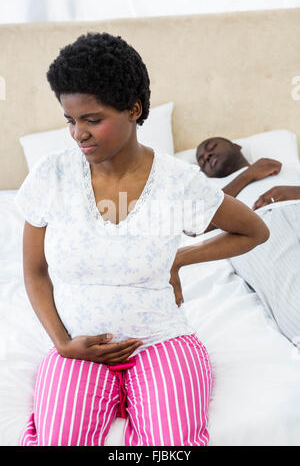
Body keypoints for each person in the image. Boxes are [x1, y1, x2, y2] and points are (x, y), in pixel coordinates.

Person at [14, 34, 268, 447]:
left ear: (134, 109)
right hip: (78, 343)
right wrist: (63, 344)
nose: (78, 134)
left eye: (93, 119)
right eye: (70, 120)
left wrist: (181, 258)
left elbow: (254, 230)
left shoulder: (178, 182)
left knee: (171, 446)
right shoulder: (51, 175)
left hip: (161, 340)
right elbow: (34, 269)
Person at [196, 136, 300, 343]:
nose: (206, 156)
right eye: (201, 160)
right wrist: (248, 175)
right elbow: (198, 224)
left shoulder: (285, 168)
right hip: (261, 229)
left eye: (210, 147)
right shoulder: (209, 191)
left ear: (236, 146)